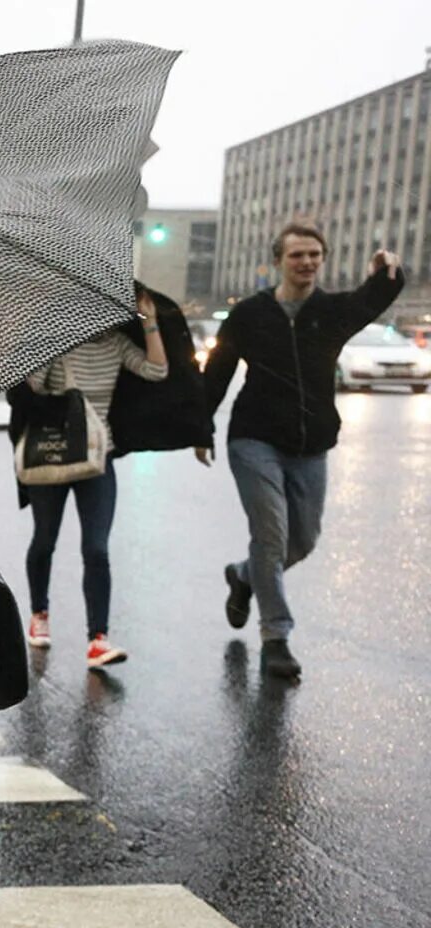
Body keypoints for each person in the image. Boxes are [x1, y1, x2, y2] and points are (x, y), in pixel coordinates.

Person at [200, 221, 404, 679]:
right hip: (254, 439)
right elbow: (218, 369)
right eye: (297, 255)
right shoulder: (250, 314)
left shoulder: (332, 311)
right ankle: (276, 637)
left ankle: (243, 575)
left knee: (304, 540)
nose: (307, 262)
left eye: (315, 254)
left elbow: (375, 297)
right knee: (270, 535)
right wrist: (199, 428)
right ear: (278, 261)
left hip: (311, 444)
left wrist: (387, 270)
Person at [15, 287, 170, 668]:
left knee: (97, 549)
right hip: (53, 453)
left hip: (100, 457)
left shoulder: (116, 345)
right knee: (45, 540)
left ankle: (97, 639)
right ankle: (39, 614)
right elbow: (29, 388)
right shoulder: (60, 342)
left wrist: (149, 320)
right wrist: (47, 343)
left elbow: (157, 370)